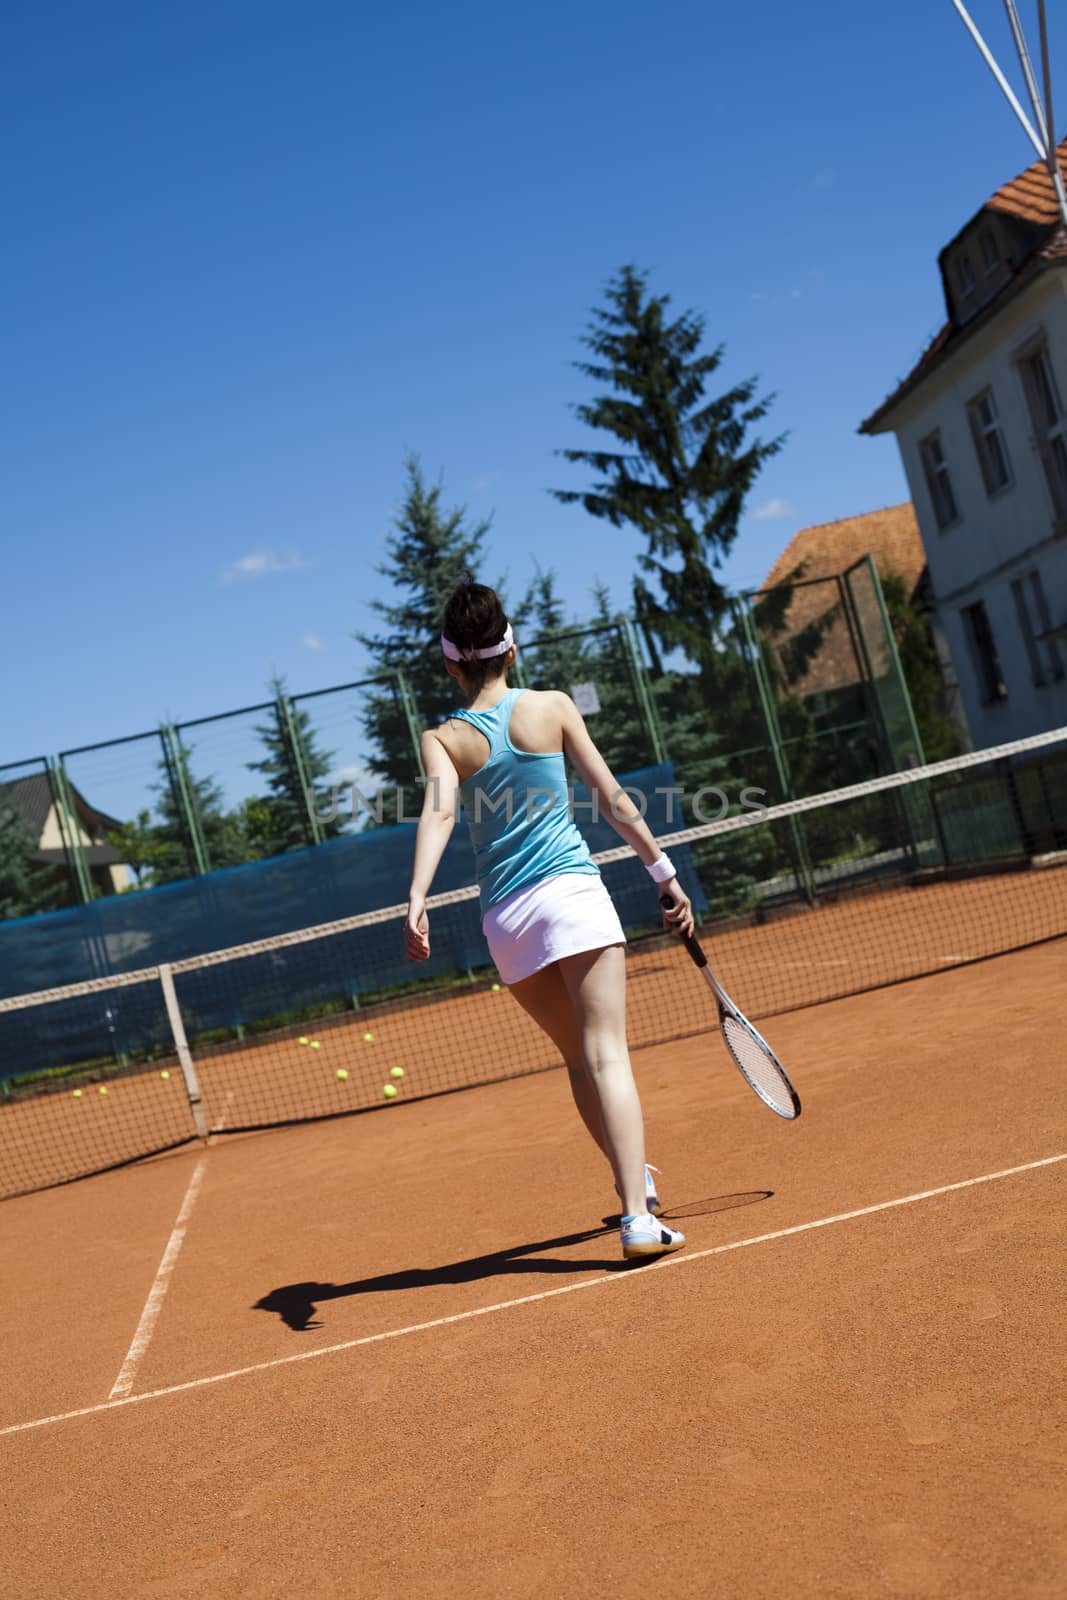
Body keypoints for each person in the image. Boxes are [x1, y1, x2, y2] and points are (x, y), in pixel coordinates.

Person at [404, 580, 693, 1260]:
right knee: (606, 1054)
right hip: (569, 897)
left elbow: (439, 814)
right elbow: (612, 798)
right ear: (512, 648)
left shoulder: (442, 739)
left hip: (505, 920)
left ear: (451, 663)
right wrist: (663, 872)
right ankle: (636, 1219)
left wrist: (415, 896)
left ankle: (634, 1185)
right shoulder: (551, 707)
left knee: (577, 1058)